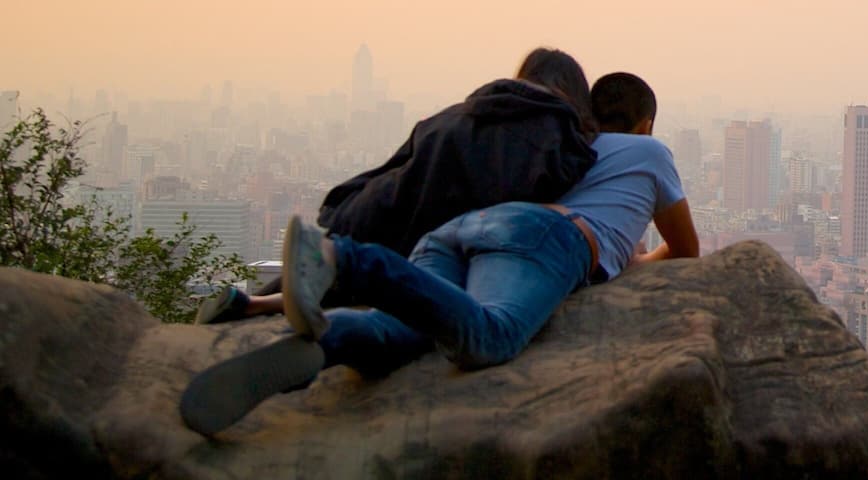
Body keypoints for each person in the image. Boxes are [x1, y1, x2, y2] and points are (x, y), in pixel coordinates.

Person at [179, 72, 698, 436]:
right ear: (646, 124)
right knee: (487, 338)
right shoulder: (650, 152)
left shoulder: (567, 145)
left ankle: (328, 341)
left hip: (467, 230)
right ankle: (344, 258)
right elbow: (685, 249)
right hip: (544, 240)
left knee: (398, 333)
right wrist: (630, 260)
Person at [195, 47, 600, 322]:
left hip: (378, 211)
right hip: (435, 236)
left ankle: (248, 304)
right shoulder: (558, 135)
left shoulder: (455, 114)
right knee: (362, 292)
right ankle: (265, 310)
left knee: (331, 277)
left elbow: (393, 168)